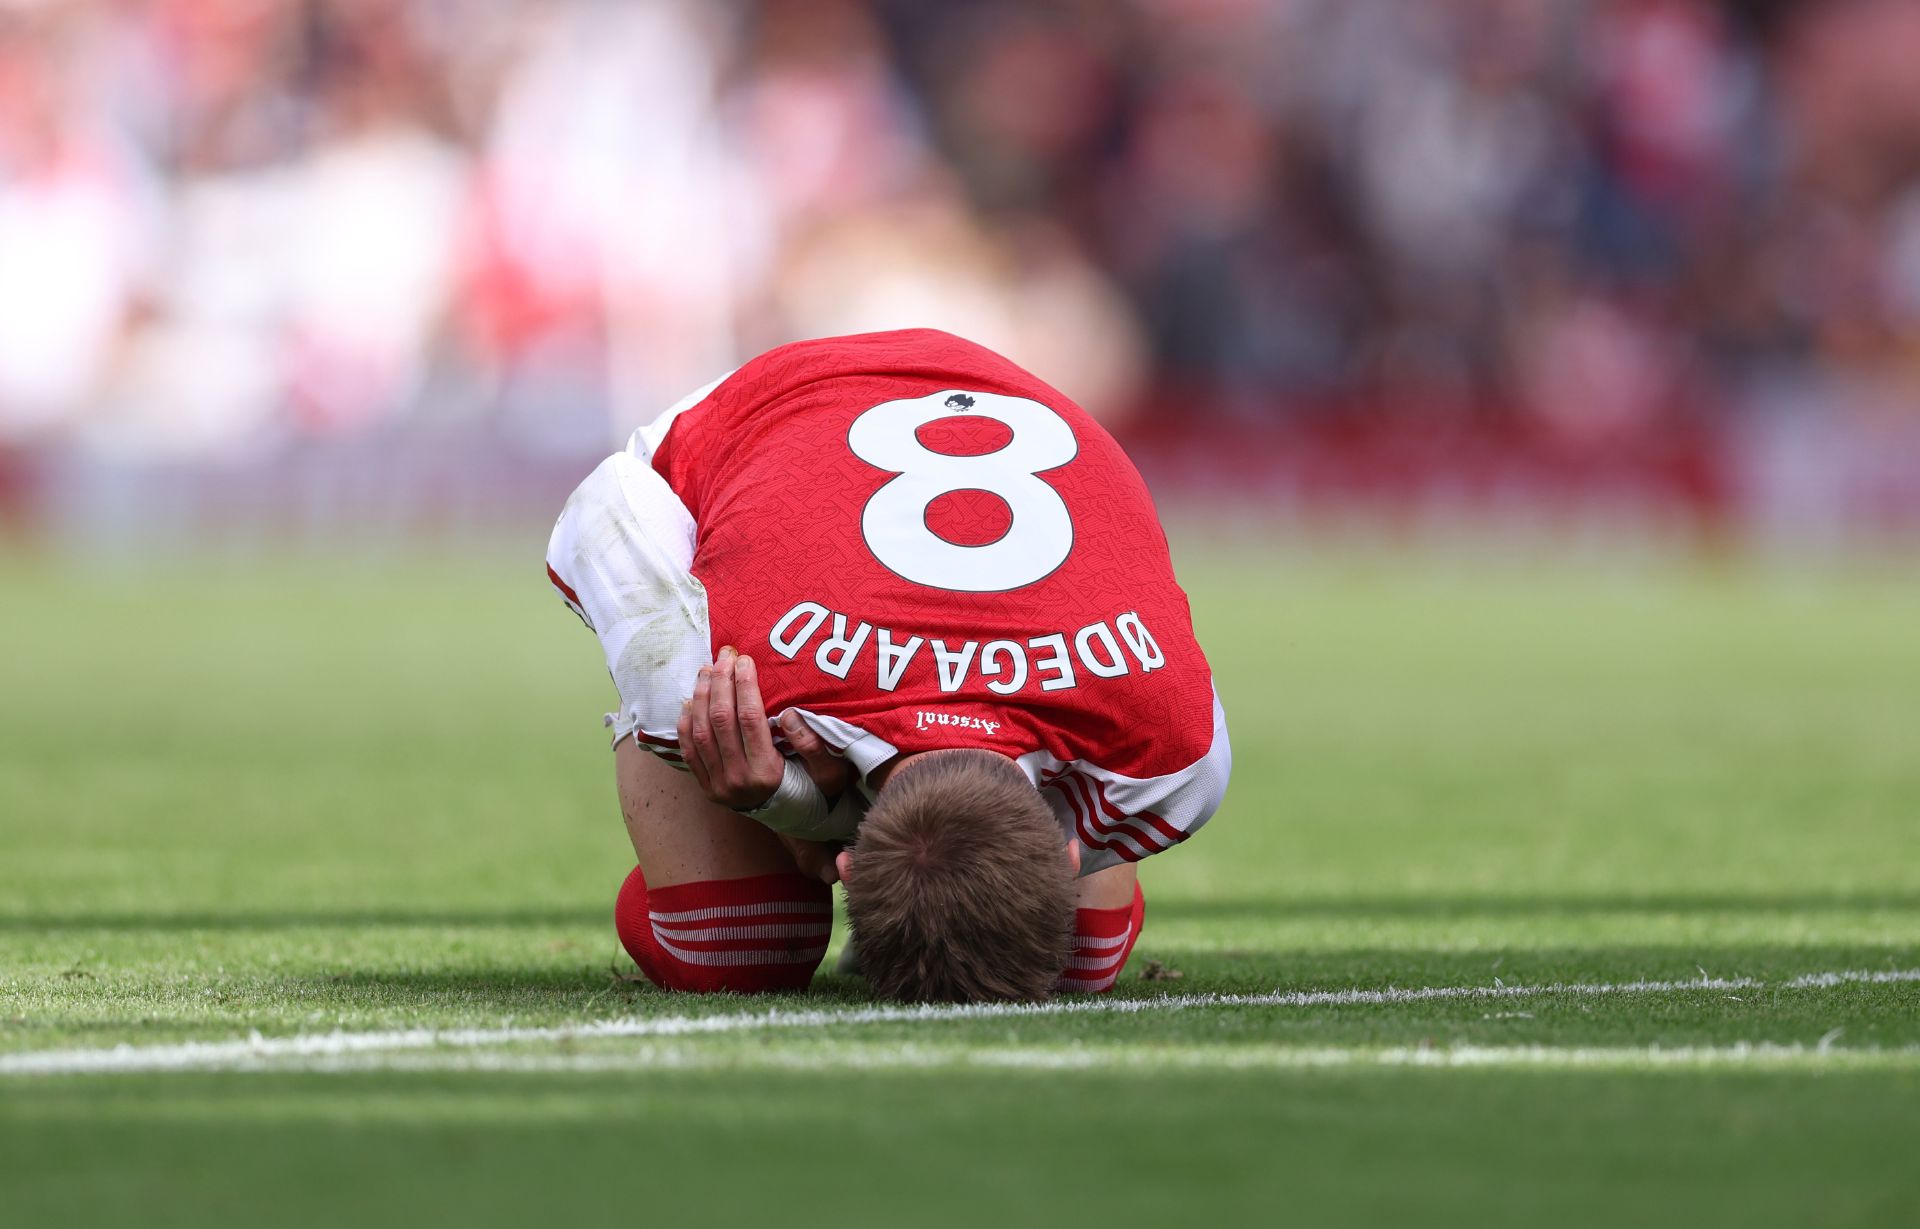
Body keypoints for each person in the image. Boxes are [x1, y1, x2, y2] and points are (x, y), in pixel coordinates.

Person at [546, 328, 1230, 1001]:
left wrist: (800, 805)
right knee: (733, 942)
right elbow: (607, 500)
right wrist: (774, 786)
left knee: (1069, 956)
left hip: (1017, 393)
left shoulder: (1182, 755)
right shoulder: (735, 676)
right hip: (784, 400)